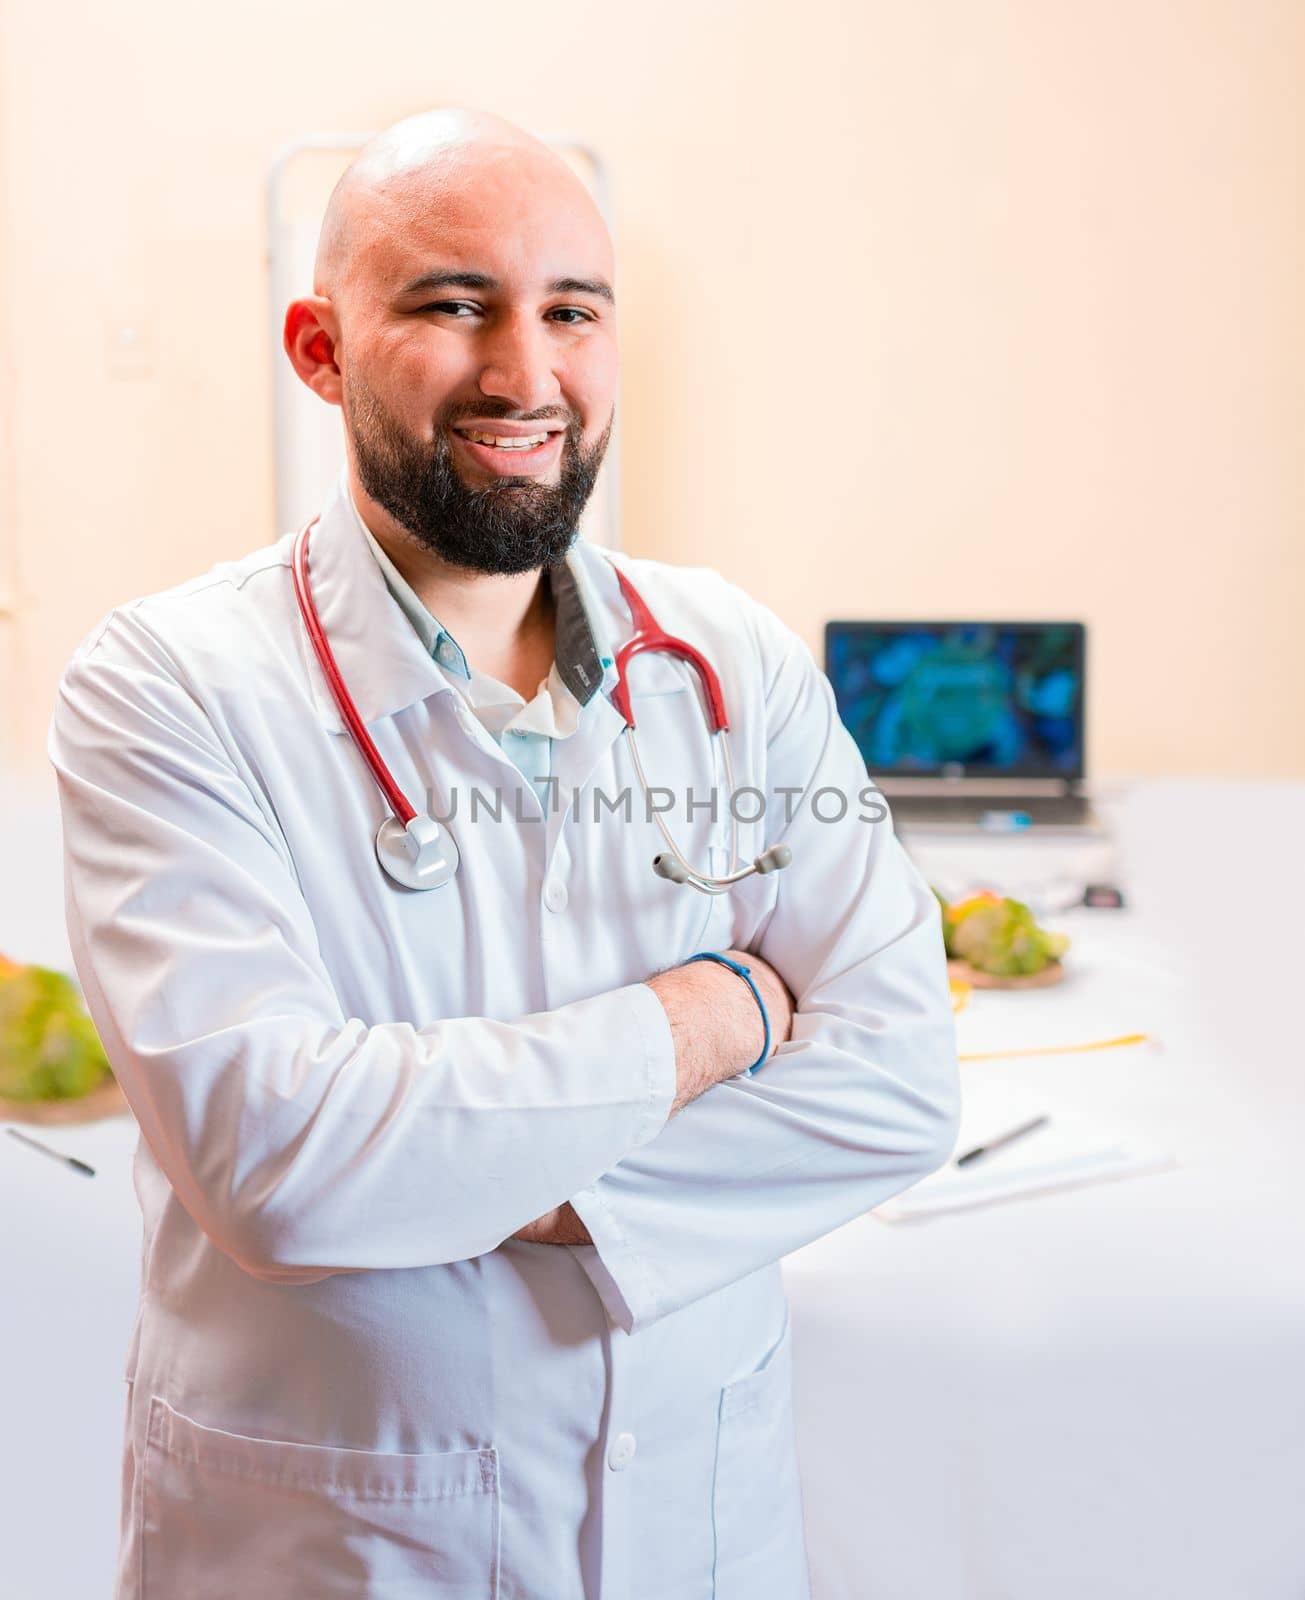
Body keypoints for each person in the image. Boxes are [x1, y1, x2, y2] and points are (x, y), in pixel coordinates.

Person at [48, 107, 961, 1600]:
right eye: (449, 303)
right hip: (337, 1539)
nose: (523, 374)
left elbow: (897, 1082)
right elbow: (278, 1163)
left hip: (696, 1527)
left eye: (570, 311)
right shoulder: (165, 686)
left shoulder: (735, 660)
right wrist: (707, 1016)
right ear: (320, 348)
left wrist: (477, 1180)